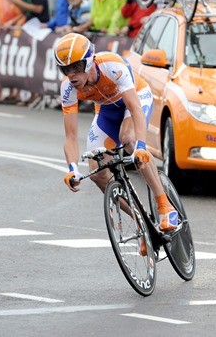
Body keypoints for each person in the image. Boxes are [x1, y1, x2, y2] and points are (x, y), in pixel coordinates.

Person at [56, 33, 179, 236]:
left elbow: (135, 108)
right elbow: (70, 136)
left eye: (76, 67)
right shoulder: (68, 88)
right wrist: (72, 168)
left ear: (88, 62)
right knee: (96, 172)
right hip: (107, 111)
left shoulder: (112, 65)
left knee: (128, 139)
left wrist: (140, 146)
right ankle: (142, 222)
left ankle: (165, 205)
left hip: (135, 98)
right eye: (65, 69)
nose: (71, 75)